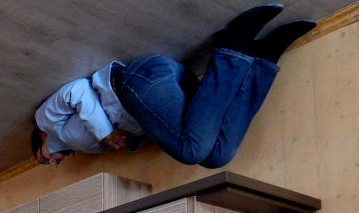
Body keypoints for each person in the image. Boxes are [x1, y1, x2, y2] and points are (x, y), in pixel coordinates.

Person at [32, 4, 315, 169]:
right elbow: (148, 127)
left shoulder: (46, 123)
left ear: (40, 142)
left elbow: (77, 90)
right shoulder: (87, 148)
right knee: (216, 156)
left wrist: (106, 133)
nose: (52, 164)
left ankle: (233, 45)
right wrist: (129, 143)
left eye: (43, 160)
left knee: (192, 152)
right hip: (166, 95)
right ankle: (263, 60)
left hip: (136, 81)